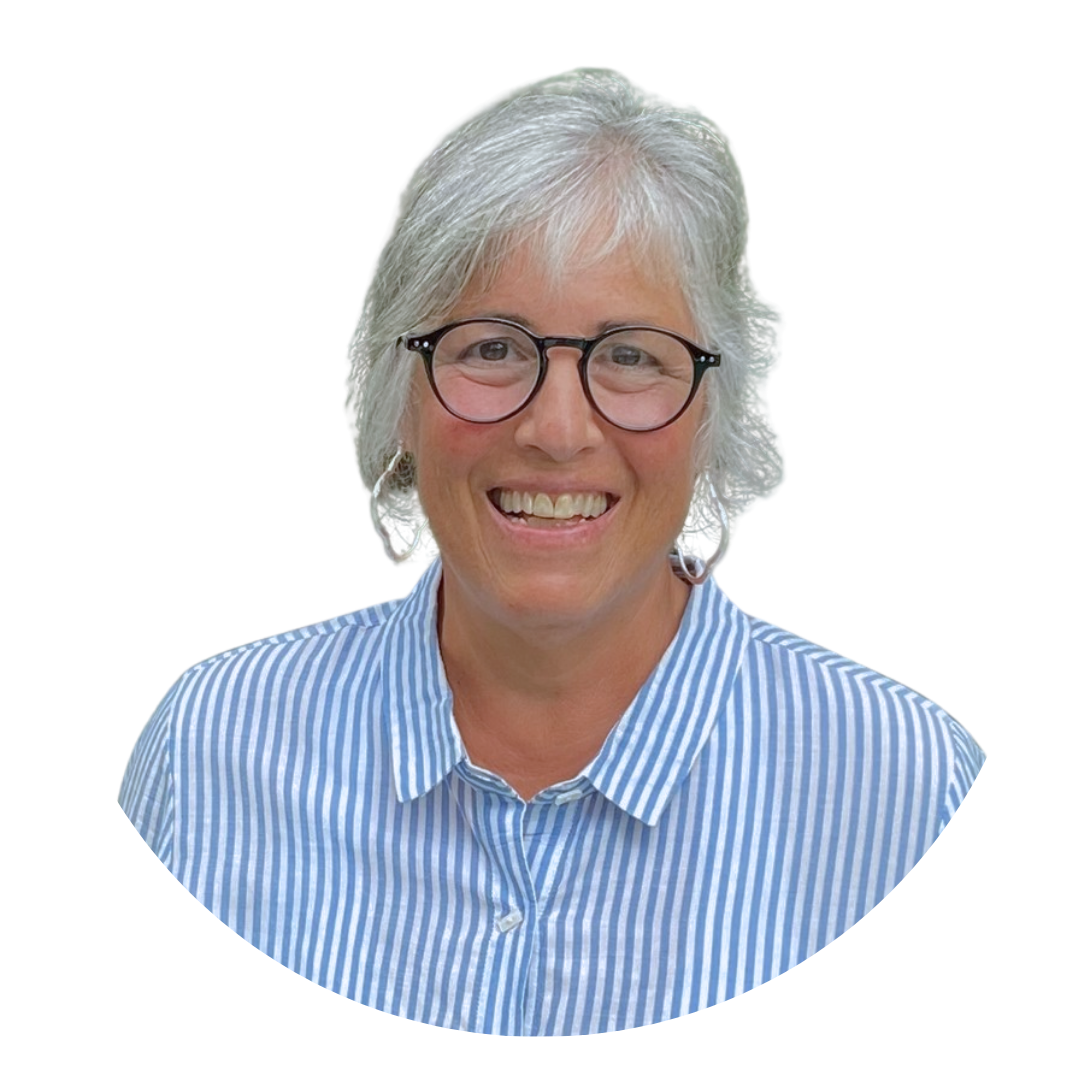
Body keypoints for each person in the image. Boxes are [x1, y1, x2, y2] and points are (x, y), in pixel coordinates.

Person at [120, 69, 984, 1034]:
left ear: (715, 406)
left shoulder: (907, 793)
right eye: (490, 347)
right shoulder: (213, 757)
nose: (558, 429)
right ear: (400, 390)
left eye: (630, 355)